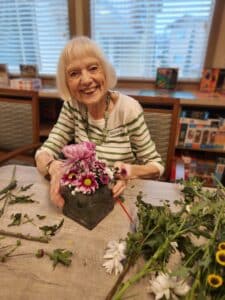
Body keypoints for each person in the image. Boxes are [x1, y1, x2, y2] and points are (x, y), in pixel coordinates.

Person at [35, 36, 164, 208]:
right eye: (74, 73)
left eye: (93, 68)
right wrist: (52, 166)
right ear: (66, 82)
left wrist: (127, 172)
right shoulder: (72, 106)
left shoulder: (128, 109)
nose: (86, 80)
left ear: (105, 71)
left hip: (124, 200)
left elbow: (157, 167)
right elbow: (44, 152)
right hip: (84, 197)